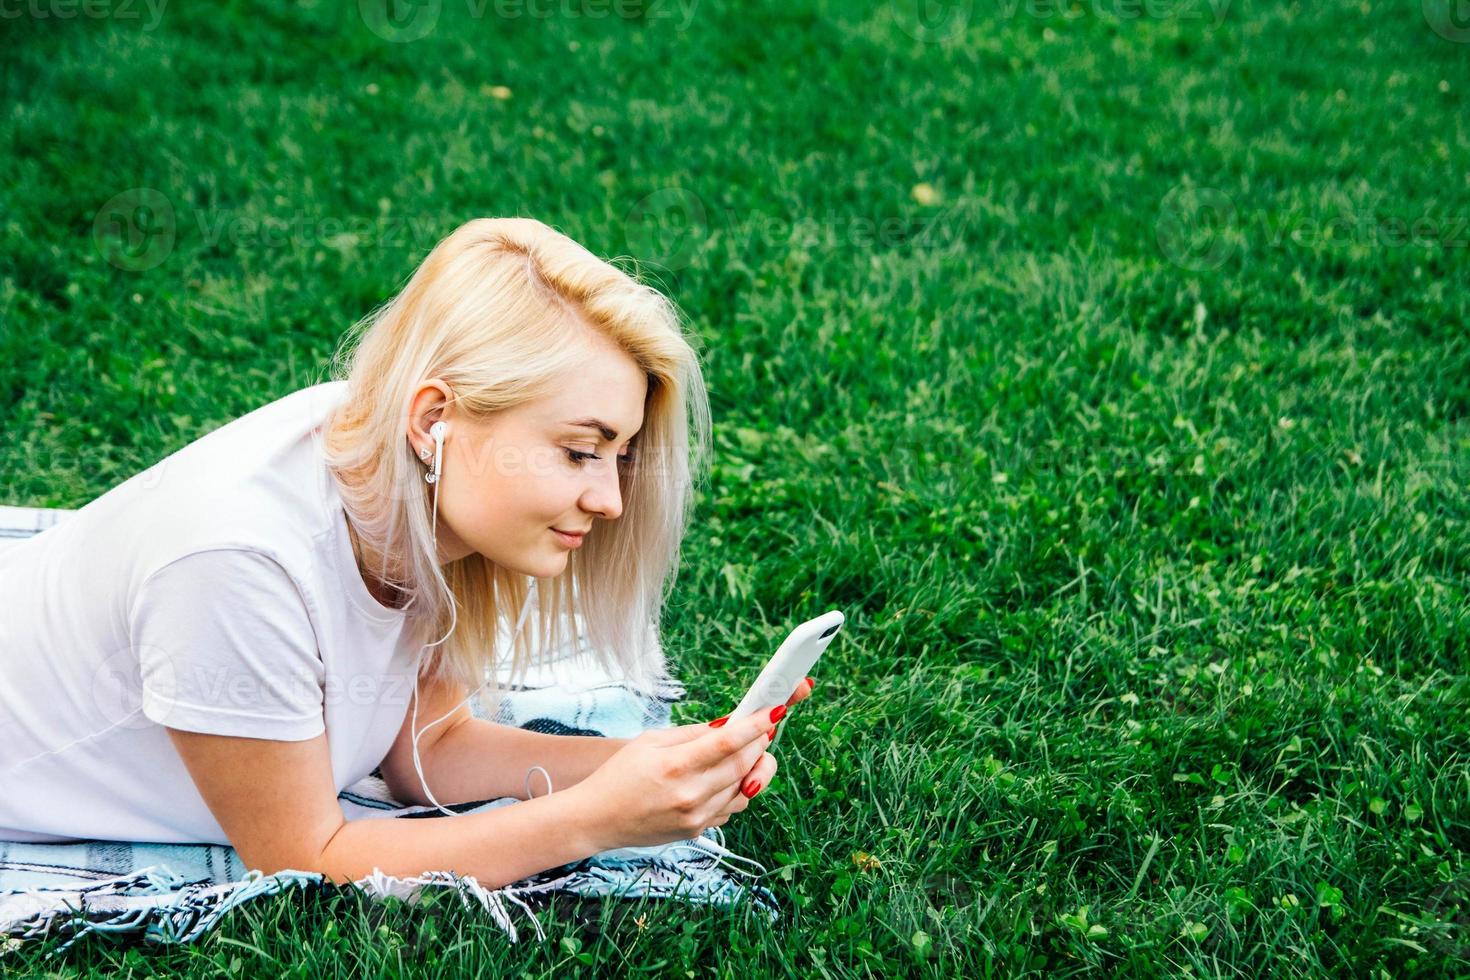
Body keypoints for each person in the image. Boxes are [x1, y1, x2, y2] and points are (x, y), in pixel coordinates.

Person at [0, 217, 814, 889]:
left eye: (621, 455)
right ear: (435, 421)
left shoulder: (430, 497)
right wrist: (596, 818)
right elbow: (305, 860)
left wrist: (645, 764)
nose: (609, 501)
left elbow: (429, 755)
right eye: (577, 452)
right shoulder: (235, 568)